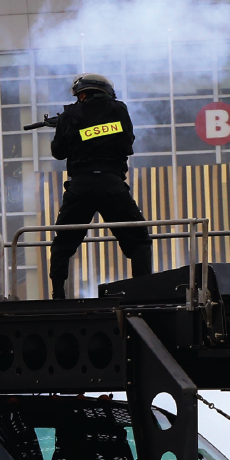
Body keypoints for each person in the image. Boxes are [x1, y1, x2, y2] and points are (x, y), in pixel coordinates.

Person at [48, 72, 150, 298]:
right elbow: (126, 144)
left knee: (63, 242)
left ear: (81, 93)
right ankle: (145, 292)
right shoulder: (119, 109)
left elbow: (58, 152)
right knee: (139, 240)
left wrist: (64, 129)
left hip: (80, 186)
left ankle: (57, 296)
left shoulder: (69, 115)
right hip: (111, 185)